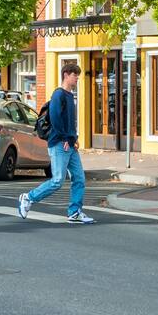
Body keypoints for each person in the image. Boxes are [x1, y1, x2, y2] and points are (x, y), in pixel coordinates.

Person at [18, 61, 93, 224]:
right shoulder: (58, 94)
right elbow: (55, 118)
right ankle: (28, 197)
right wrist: (65, 138)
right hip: (59, 143)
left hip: (69, 144)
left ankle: (74, 212)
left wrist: (73, 139)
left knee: (79, 178)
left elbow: (69, 121)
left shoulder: (69, 95)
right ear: (66, 75)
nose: (77, 79)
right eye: (75, 75)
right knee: (58, 180)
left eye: (78, 76)